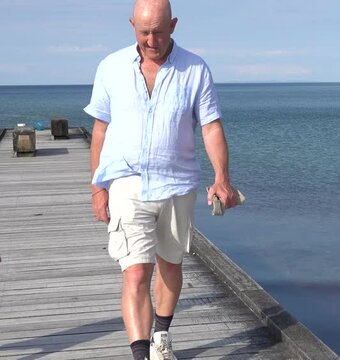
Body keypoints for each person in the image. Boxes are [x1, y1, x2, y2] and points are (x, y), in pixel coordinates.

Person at [85, 1, 238, 359]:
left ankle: (161, 336)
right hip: (127, 181)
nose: (151, 40)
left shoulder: (195, 69)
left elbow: (211, 126)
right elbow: (100, 129)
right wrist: (97, 188)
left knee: (170, 265)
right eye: (143, 32)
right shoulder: (110, 67)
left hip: (177, 184)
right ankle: (141, 355)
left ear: (173, 25)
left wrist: (222, 178)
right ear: (131, 25)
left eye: (158, 31)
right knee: (135, 272)